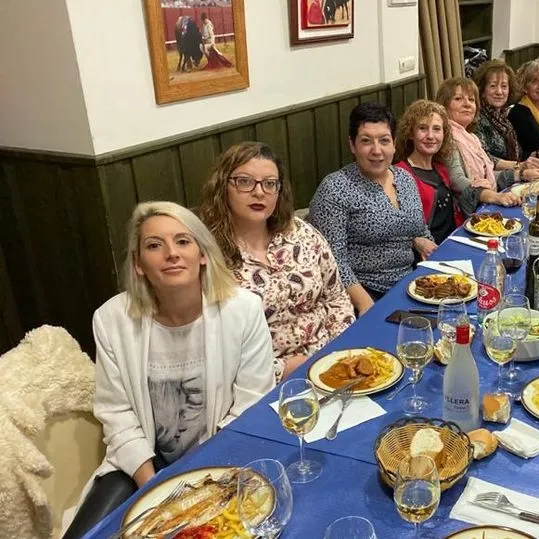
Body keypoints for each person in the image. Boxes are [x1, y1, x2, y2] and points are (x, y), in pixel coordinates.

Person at [63, 202, 275, 538]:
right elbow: (116, 413)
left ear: (202, 254)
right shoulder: (111, 319)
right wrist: (153, 486)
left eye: (183, 241)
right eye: (154, 245)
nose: (171, 253)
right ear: (139, 264)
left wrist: (200, 487)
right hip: (139, 465)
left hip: (220, 457)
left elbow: (250, 406)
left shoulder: (244, 310)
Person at [199, 142, 354, 381]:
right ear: (223, 187)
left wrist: (341, 351)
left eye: (270, 184)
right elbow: (211, 346)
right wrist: (281, 370)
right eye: (245, 181)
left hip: (332, 361)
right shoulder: (206, 255)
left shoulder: (300, 232)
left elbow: (336, 297)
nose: (259, 192)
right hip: (260, 382)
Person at [308, 103, 437, 314]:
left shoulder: (404, 179)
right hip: (365, 293)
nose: (376, 150)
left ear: (394, 143)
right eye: (366, 141)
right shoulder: (335, 188)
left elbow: (419, 228)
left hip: (411, 284)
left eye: (384, 140)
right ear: (352, 145)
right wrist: (366, 306)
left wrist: (423, 243)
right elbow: (332, 260)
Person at [435, 78, 535, 210]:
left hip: (484, 205)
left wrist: (522, 174)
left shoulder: (471, 138)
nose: (467, 104)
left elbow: (488, 176)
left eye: (471, 100)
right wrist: (495, 196)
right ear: (444, 105)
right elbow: (457, 181)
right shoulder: (447, 137)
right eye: (458, 99)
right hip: (465, 213)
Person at [393, 100, 464, 244]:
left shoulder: (441, 169)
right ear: (411, 133)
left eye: (437, 129)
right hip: (428, 250)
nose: (430, 136)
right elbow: (399, 226)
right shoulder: (399, 173)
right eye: (423, 128)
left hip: (454, 242)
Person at [471, 59, 522, 162]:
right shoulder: (477, 119)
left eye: (504, 86)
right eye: (493, 86)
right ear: (482, 90)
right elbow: (484, 158)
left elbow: (518, 155)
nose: (499, 92)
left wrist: (538, 153)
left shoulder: (504, 120)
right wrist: (518, 166)